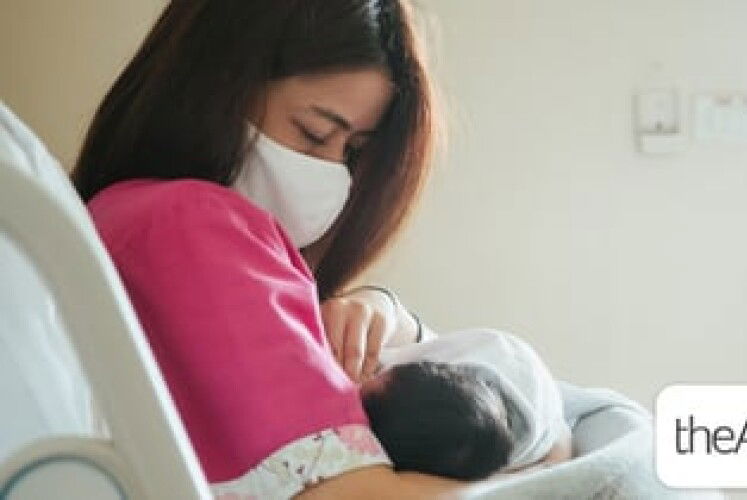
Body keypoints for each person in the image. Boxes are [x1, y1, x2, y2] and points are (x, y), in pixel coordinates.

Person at [73, 0, 467, 498]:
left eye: (352, 152)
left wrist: (385, 309)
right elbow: (355, 495)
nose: (331, 171)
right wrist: (547, 457)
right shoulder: (189, 223)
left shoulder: (125, 216)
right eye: (314, 134)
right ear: (221, 82)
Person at [362, 329, 573, 479]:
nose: (358, 382)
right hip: (504, 358)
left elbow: (556, 452)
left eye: (375, 374)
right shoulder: (470, 360)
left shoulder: (530, 448)